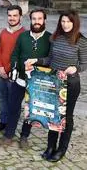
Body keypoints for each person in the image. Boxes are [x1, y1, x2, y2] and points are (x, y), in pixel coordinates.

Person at [26, 10, 87, 162]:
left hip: (71, 84)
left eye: (69, 21)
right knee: (52, 114)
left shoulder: (81, 40)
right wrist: (36, 60)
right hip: (54, 82)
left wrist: (76, 68)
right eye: (63, 21)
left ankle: (61, 149)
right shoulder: (56, 37)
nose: (65, 24)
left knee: (67, 116)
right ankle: (50, 147)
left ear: (75, 23)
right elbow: (49, 60)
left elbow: (85, 63)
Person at [0, 9, 49, 148]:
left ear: (44, 21)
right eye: (34, 19)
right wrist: (15, 67)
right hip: (20, 80)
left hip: (36, 82)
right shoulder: (23, 36)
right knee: (13, 107)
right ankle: (8, 135)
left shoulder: (49, 38)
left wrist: (37, 61)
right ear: (30, 20)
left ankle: (24, 136)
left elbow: (51, 59)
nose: (36, 22)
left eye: (39, 19)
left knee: (30, 110)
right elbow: (15, 55)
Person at [0, 5, 25, 134]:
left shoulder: (23, 34)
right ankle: (3, 122)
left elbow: (20, 55)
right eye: (10, 15)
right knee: (2, 98)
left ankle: (11, 126)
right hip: (1, 72)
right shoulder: (4, 32)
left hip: (13, 74)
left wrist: (8, 70)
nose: (12, 18)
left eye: (15, 15)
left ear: (20, 17)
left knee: (13, 101)